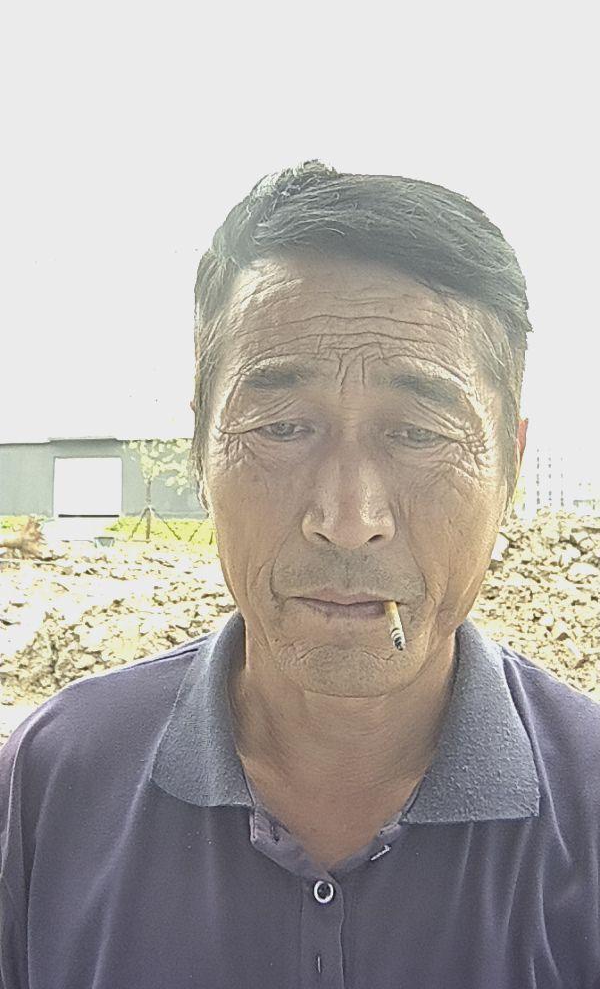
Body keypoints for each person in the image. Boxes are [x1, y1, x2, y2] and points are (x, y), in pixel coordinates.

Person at [1, 161, 599, 989]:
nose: (347, 518)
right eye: (282, 426)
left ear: (510, 464)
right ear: (201, 451)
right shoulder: (53, 780)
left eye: (419, 434)